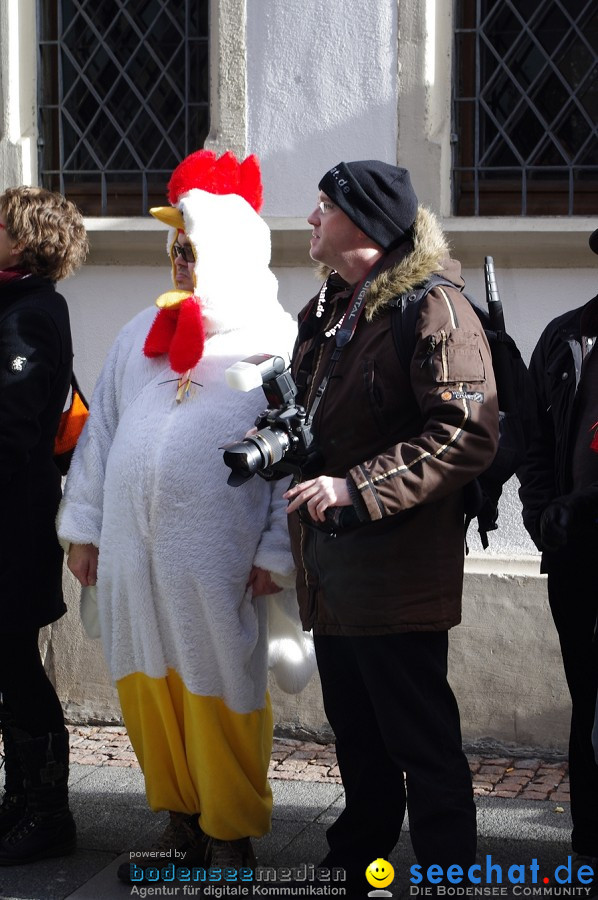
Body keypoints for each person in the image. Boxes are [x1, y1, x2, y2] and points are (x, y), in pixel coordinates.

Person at [57, 150, 301, 879]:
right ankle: (179, 819)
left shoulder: (275, 339)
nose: (180, 263)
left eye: (191, 249)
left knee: (220, 689)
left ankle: (230, 833)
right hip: (134, 553)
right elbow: (101, 435)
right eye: (175, 249)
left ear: (225, 250)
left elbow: (297, 455)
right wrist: (85, 528)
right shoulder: (140, 332)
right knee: (145, 685)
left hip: (216, 557)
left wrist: (276, 550)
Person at [281, 160, 499, 893]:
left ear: (366, 225)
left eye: (322, 207)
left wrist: (355, 487)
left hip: (399, 571)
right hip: (336, 570)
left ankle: (446, 874)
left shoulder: (432, 307)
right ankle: (357, 864)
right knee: (360, 742)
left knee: (422, 743)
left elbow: (465, 432)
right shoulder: (330, 309)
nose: (310, 219)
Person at [0, 186, 88, 865]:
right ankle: (18, 798)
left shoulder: (33, 310)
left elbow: (12, 424)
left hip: (11, 526)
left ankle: (48, 812)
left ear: (25, 241)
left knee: (16, 667)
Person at [519, 228, 598, 871]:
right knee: (590, 698)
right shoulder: (565, 339)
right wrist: (544, 515)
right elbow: (533, 439)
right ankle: (590, 840)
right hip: (578, 555)